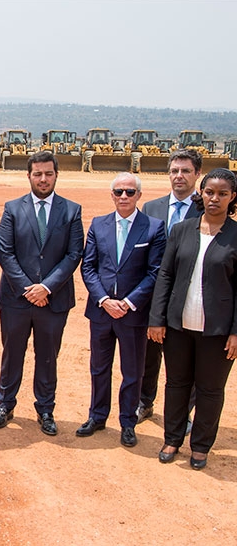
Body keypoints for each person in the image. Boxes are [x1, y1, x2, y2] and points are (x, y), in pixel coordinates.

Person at [148, 168, 237, 470]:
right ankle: (172, 439)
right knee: (176, 384)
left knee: (211, 390)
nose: (215, 198)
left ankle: (200, 447)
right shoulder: (182, 230)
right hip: (178, 326)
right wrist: (157, 318)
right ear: (201, 194)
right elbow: (165, 275)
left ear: (232, 197)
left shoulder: (236, 236)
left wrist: (236, 332)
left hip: (218, 331)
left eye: (222, 193)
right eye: (210, 192)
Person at [0, 151, 83, 436]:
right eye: (38, 174)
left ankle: (45, 409)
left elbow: (74, 253)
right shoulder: (13, 208)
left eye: (49, 174)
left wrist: (47, 287)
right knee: (12, 353)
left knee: (47, 356)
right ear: (28, 176)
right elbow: (5, 252)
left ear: (56, 175)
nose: (43, 179)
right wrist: (28, 288)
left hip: (54, 301)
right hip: (17, 299)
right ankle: (5, 404)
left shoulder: (71, 210)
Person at [78, 172, 166, 447]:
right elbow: (89, 266)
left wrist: (127, 303)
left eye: (129, 192)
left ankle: (128, 422)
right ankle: (97, 416)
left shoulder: (153, 227)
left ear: (139, 195)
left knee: (132, 371)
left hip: (133, 314)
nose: (124, 196)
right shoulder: (98, 224)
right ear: (112, 195)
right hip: (102, 312)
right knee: (99, 367)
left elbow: (155, 272)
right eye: (119, 192)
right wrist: (104, 300)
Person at [138, 149, 203, 424]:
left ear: (197, 174)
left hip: (188, 296)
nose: (179, 176)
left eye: (186, 171)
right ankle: (144, 402)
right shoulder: (151, 208)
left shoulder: (206, 208)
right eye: (174, 171)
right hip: (153, 295)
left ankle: (182, 414)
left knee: (184, 361)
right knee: (147, 356)